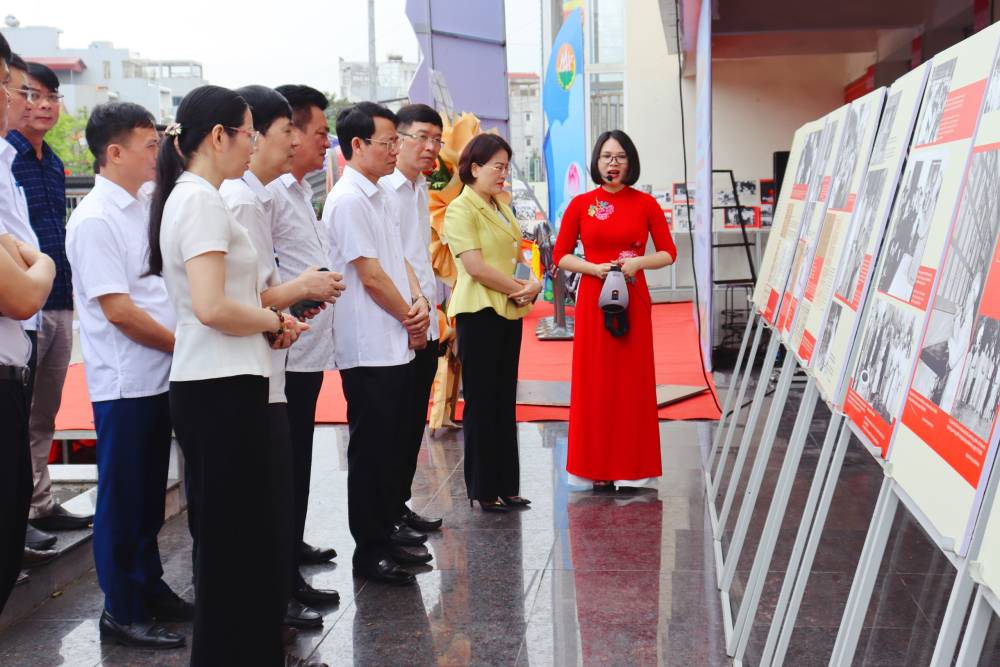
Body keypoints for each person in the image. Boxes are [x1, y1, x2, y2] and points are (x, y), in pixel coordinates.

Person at [147, 85, 312, 667]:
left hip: (226, 382)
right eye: (248, 133)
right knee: (231, 546)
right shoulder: (199, 202)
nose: (255, 145)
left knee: (242, 542)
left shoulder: (201, 198)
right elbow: (212, 307)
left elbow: (222, 303)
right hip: (218, 388)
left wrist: (271, 323)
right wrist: (272, 319)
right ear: (218, 136)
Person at [65, 102, 192, 649]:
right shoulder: (94, 218)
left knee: (146, 496)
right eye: (148, 144)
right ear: (114, 153)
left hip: (158, 372)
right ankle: (121, 608)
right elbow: (118, 309)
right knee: (122, 499)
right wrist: (184, 344)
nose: (157, 153)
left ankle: (149, 587)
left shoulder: (143, 203)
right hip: (126, 380)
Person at [220, 85, 344, 633]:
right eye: (294, 131)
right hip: (270, 350)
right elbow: (246, 292)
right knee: (274, 478)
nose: (301, 142)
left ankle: (285, 573)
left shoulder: (278, 190)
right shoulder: (248, 197)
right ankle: (277, 584)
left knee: (289, 470)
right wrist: (299, 291)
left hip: (292, 342)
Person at [324, 102, 431, 585]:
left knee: (391, 445)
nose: (395, 150)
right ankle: (369, 549)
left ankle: (387, 531)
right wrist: (409, 315)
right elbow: (368, 274)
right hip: (369, 343)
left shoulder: (380, 196)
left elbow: (399, 261)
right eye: (387, 142)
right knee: (369, 451)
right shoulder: (347, 200)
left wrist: (418, 301)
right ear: (357, 146)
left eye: (395, 142)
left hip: (395, 338)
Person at [553, 130, 676, 491]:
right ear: (596, 161)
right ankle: (594, 468)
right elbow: (561, 254)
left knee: (632, 384)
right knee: (595, 382)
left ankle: (632, 468)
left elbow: (669, 252)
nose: (613, 163)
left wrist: (638, 263)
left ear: (630, 161)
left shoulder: (646, 204)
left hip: (633, 297)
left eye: (620, 156)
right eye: (606, 156)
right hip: (594, 298)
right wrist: (593, 268)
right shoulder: (580, 205)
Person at [8, 62, 93, 533]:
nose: (43, 106)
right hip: (21, 305)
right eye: (32, 95)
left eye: (52, 98)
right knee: (20, 413)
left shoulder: (54, 161)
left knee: (45, 409)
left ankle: (37, 502)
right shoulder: (8, 157)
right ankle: (20, 513)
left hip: (58, 297)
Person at [444, 133, 540, 512]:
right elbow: (475, 266)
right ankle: (484, 489)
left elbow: (515, 253)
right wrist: (520, 288)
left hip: (508, 309)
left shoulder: (501, 206)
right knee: (482, 402)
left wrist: (530, 282)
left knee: (503, 399)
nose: (503, 174)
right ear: (475, 167)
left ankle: (507, 485)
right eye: (497, 166)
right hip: (479, 311)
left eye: (506, 166)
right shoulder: (461, 209)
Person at [269, 84, 340, 577]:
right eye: (319, 132)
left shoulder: (299, 190)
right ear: (289, 132)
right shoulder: (269, 194)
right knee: (284, 463)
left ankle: (293, 543)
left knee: (300, 457)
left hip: (309, 347)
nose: (325, 142)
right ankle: (282, 565)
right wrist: (303, 290)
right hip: (285, 348)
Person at [0, 34, 56, 615]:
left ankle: (33, 508)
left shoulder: (21, 162)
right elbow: (20, 285)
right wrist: (40, 264)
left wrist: (33, 262)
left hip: (31, 327)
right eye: (17, 90)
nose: (23, 102)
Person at [379, 103, 446, 535]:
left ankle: (398, 504)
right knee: (393, 426)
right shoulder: (383, 189)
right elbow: (390, 261)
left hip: (425, 316)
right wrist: (416, 308)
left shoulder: (419, 187)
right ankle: (385, 513)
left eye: (436, 140)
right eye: (421, 137)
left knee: (411, 425)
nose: (430, 147)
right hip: (400, 320)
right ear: (398, 139)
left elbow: (420, 255)